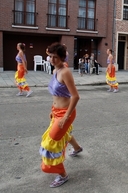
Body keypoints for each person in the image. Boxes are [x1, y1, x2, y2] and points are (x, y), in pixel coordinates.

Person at [39, 42, 82, 188]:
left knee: (50, 143)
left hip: (66, 113)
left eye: (55, 57)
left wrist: (65, 117)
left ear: (62, 58)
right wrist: (52, 110)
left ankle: (63, 175)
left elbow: (75, 97)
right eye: (50, 56)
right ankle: (77, 148)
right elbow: (56, 95)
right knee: (62, 135)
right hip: (56, 112)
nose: (52, 60)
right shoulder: (55, 71)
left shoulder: (65, 72)